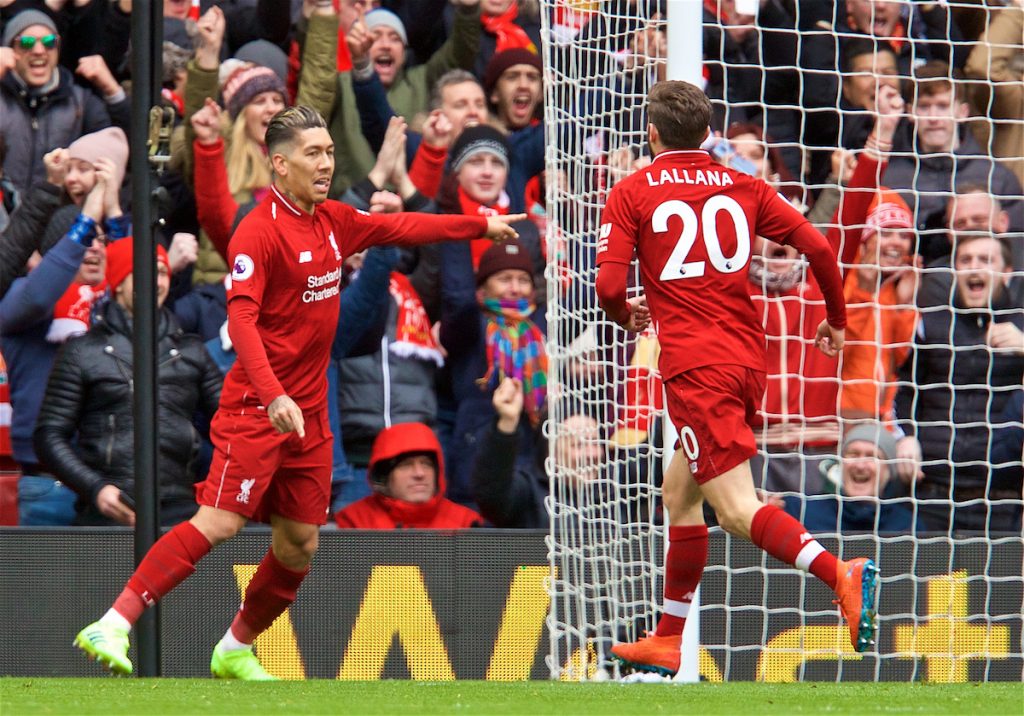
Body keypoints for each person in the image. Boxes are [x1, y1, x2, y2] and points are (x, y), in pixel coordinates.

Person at [73, 105, 525, 679]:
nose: (326, 163)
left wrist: (475, 226)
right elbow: (241, 321)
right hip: (258, 406)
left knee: (300, 543)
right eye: (313, 153)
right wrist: (272, 395)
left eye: (330, 152)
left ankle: (235, 645)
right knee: (219, 522)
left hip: (309, 413)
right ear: (279, 164)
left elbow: (400, 227)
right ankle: (114, 621)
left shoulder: (333, 221)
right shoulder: (257, 232)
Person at [594, 81, 877, 677]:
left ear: (651, 134)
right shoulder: (743, 185)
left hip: (696, 369)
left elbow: (610, 289)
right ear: (707, 134)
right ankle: (668, 638)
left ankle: (838, 572)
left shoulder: (632, 191)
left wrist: (626, 316)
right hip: (748, 361)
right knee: (679, 493)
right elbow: (821, 250)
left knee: (736, 511)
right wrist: (836, 320)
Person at [34, 240, 222, 527]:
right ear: (119, 282)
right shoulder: (83, 351)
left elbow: (232, 425)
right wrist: (96, 489)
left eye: (161, 272)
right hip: (109, 510)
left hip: (180, 509)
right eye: (144, 272)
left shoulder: (191, 350)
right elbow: (49, 435)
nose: (155, 281)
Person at [893, 234, 1024, 533]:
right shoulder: (930, 322)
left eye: (985, 260)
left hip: (1002, 501)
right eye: (965, 261)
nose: (973, 268)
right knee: (941, 581)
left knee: (999, 581)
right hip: (935, 496)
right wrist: (906, 436)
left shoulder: (1021, 322)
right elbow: (905, 388)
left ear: (1006, 272)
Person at [334, 422, 482, 528]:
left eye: (426, 464)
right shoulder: (353, 522)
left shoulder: (466, 523)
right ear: (384, 475)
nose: (419, 473)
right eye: (406, 465)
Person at [783, 423, 922, 534]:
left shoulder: (907, 527)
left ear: (889, 471)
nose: (860, 465)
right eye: (853, 454)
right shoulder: (800, 511)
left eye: (872, 456)